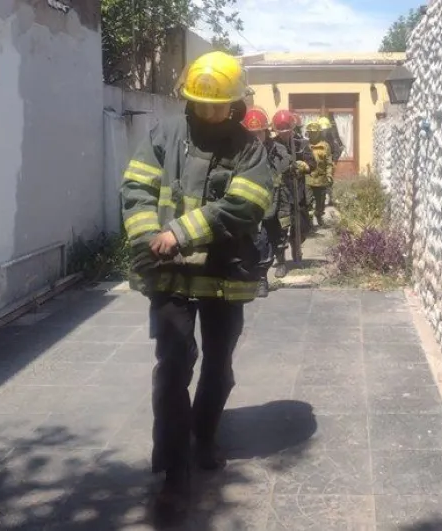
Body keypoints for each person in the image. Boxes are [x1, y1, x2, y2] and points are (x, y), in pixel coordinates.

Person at [119, 50, 274, 522]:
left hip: (225, 275)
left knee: (218, 365)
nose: (211, 113)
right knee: (172, 368)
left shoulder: (250, 148)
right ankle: (173, 472)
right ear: (188, 100)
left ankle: (204, 436)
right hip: (170, 275)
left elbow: (247, 205)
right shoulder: (165, 136)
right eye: (203, 105)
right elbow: (136, 190)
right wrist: (150, 238)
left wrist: (181, 233)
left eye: (220, 105)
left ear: (236, 103)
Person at [241, 106, 291, 297]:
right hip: (251, 204)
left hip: (276, 202)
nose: (255, 137)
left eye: (259, 133)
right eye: (251, 133)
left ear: (265, 131)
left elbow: (286, 166)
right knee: (257, 241)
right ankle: (258, 277)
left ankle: (264, 273)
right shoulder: (240, 150)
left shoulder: (277, 149)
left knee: (274, 240)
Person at [271, 110, 317, 268]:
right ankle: (281, 262)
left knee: (303, 227)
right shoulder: (271, 145)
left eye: (287, 130)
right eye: (280, 131)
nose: (284, 134)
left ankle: (296, 249)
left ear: (292, 128)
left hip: (300, 192)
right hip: (281, 193)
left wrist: (303, 166)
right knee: (280, 229)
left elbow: (313, 164)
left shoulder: (301, 143)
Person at [304, 121, 333, 227]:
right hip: (308, 178)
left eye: (314, 132)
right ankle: (309, 220)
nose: (312, 134)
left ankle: (319, 215)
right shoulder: (304, 145)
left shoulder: (325, 146)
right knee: (308, 201)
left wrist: (329, 175)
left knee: (320, 202)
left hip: (321, 178)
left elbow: (329, 163)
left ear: (319, 133)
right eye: (310, 133)